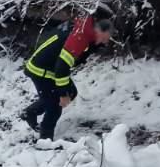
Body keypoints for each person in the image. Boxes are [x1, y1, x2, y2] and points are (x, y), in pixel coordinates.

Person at [20, 8, 113, 141]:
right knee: (55, 106)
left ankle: (30, 112)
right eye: (104, 38)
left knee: (71, 92)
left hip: (50, 67)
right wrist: (62, 95)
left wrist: (65, 93)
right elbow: (62, 67)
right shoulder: (80, 37)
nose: (105, 43)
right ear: (98, 31)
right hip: (41, 70)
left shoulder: (85, 28)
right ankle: (45, 141)